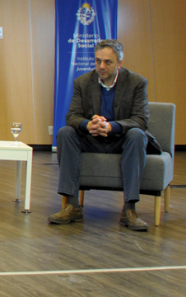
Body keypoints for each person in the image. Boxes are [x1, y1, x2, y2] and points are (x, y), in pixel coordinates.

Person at [48, 39, 162, 232]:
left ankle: (129, 209)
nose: (101, 66)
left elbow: (141, 120)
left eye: (107, 62)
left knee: (137, 135)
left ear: (119, 63)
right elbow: (72, 116)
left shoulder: (137, 83)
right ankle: (72, 205)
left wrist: (112, 127)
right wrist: (88, 124)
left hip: (121, 139)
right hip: (92, 139)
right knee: (65, 132)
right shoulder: (82, 82)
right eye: (98, 61)